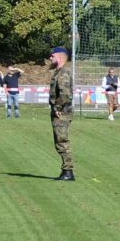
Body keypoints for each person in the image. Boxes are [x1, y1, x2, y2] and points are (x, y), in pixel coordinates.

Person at [47, 46, 75, 182]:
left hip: (62, 112)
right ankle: (66, 170)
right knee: (59, 141)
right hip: (61, 111)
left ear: (58, 57)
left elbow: (65, 93)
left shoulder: (63, 73)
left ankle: (68, 171)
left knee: (62, 141)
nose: (50, 58)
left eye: (52, 56)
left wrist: (58, 107)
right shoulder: (59, 72)